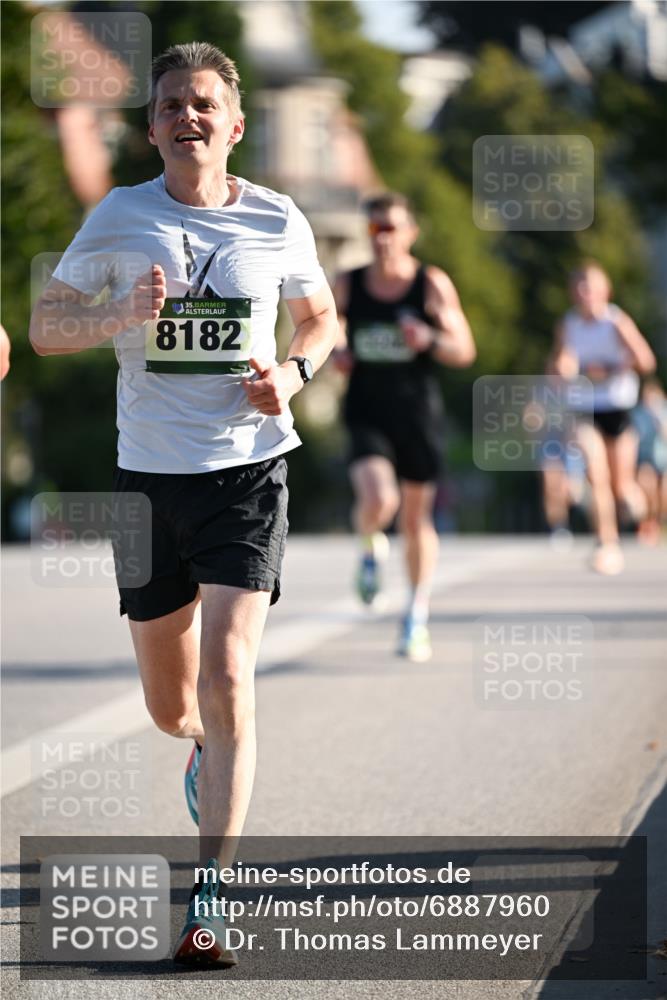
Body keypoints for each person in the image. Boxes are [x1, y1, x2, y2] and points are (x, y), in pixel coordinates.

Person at [29, 42, 337, 966]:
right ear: (152, 128)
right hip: (148, 481)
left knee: (229, 674)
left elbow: (320, 318)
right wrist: (117, 315)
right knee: (174, 708)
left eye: (203, 104)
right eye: (169, 105)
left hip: (247, 471)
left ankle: (211, 900)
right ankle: (202, 746)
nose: (186, 116)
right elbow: (45, 329)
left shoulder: (277, 217)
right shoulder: (120, 216)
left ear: (233, 125)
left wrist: (292, 374)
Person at [333, 193, 476, 662]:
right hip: (367, 410)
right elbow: (325, 326)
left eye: (391, 228)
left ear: (411, 233)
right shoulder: (349, 283)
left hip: (417, 414)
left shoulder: (430, 284)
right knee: (379, 499)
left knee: (416, 520)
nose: (383, 238)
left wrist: (429, 337)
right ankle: (369, 547)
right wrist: (337, 351)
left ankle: (416, 615)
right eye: (375, 229)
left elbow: (464, 349)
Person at [551, 261, 656, 574]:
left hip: (617, 408)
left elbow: (646, 361)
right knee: (596, 476)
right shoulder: (569, 324)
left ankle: (641, 508)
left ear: (604, 290)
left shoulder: (616, 322)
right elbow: (558, 365)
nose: (584, 292)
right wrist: (563, 368)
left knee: (620, 487)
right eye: (579, 286)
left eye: (590, 286)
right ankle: (607, 545)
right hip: (584, 409)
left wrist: (615, 367)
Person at [632, 377, 667, 545]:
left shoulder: (664, 413)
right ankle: (647, 523)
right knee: (648, 486)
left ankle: (660, 522)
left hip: (664, 458)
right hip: (645, 458)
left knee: (664, 492)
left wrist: (659, 421)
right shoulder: (638, 414)